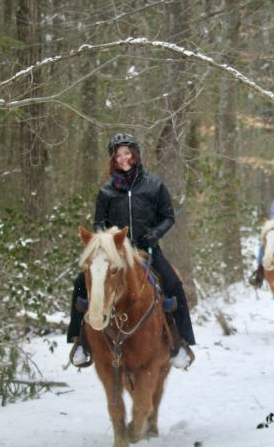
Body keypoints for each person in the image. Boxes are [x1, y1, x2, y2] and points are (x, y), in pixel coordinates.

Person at [68, 133, 195, 369]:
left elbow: (168, 217)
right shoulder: (106, 191)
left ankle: (181, 343)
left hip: (147, 248)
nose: (123, 158)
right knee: (79, 284)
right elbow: (98, 223)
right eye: (118, 155)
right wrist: (105, 239)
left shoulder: (154, 185)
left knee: (174, 285)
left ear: (135, 155)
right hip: (114, 252)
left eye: (127, 153)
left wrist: (155, 234)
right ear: (113, 160)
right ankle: (80, 343)